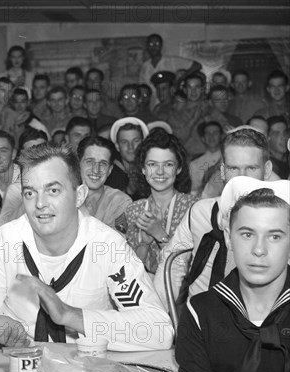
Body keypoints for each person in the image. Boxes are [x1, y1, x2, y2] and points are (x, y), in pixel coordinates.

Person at [0, 142, 174, 350]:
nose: (40, 203)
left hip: (87, 368)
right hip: (17, 366)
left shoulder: (106, 246)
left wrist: (70, 316)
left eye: (53, 191)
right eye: (30, 193)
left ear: (79, 196)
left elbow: (159, 329)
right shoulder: (6, 241)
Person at [169, 183, 290, 372]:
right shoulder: (202, 313)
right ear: (227, 237)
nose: (259, 249)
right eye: (247, 234)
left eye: (275, 236)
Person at [154, 126, 275, 304]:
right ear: (223, 171)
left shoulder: (281, 219)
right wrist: (161, 318)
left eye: (251, 168)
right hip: (199, 322)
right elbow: (170, 266)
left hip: (259, 322)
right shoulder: (200, 212)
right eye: (234, 168)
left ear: (267, 170)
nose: (241, 178)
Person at [124, 129, 198, 274]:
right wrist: (144, 244)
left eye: (168, 164)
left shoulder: (194, 208)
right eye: (152, 164)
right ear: (143, 169)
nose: (160, 171)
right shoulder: (133, 210)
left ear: (179, 168)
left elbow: (192, 265)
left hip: (182, 293)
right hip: (143, 293)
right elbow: (130, 271)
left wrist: (159, 234)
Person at [77, 136, 131, 232]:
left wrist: (85, 214)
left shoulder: (119, 201)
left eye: (103, 164)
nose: (96, 170)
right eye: (90, 162)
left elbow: (115, 243)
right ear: (78, 164)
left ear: (110, 170)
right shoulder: (63, 196)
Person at [139, 34, 202, 106]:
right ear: (147, 46)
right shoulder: (145, 66)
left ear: (161, 45)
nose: (154, 47)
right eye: (151, 44)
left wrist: (180, 80)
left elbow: (197, 65)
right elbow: (142, 87)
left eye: (157, 43)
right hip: (152, 105)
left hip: (172, 104)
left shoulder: (171, 60)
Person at [169, 72, 211, 159]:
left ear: (203, 89)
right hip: (186, 159)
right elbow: (178, 139)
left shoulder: (211, 110)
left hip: (209, 159)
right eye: (190, 87)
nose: (193, 91)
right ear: (185, 90)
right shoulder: (176, 114)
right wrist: (194, 119)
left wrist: (207, 117)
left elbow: (221, 135)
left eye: (197, 87)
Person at [108, 117, 150, 199]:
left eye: (136, 141)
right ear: (117, 146)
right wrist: (129, 191)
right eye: (124, 142)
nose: (130, 147)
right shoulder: (109, 173)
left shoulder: (153, 168)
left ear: (143, 143)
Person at [189, 121, 223, 195]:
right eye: (208, 133)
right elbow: (193, 192)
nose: (211, 136)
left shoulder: (229, 159)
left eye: (215, 133)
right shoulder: (194, 164)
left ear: (221, 136)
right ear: (203, 138)